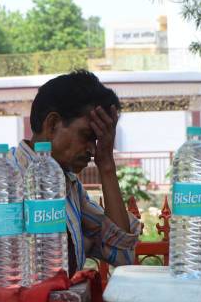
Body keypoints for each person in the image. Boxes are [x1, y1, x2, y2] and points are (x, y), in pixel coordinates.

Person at [10, 70, 141, 276]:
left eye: (96, 141)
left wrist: (106, 164)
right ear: (52, 125)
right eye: (86, 136)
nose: (91, 149)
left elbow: (122, 254)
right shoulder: (6, 181)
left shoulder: (69, 185)